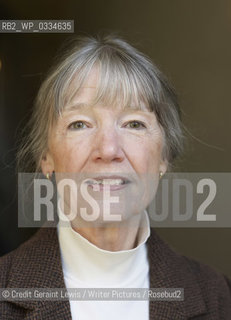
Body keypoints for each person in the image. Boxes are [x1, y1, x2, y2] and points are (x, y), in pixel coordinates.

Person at [0, 34, 231, 320]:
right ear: (47, 158)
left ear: (163, 157)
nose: (108, 149)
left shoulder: (219, 298)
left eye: (134, 123)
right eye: (79, 124)